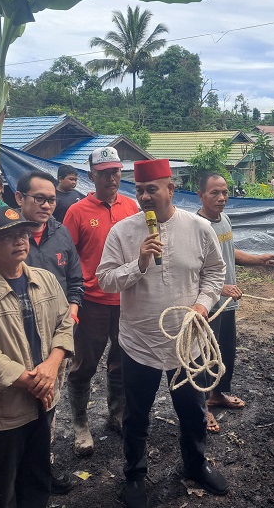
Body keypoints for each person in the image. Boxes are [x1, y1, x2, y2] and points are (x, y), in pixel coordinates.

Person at [97, 159, 228, 508]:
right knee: (136, 414)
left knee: (193, 412)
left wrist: (202, 305)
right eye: (140, 190)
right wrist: (138, 263)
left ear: (170, 189)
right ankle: (134, 476)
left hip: (187, 341)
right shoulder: (122, 232)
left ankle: (196, 465)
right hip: (139, 343)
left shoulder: (199, 227)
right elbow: (105, 280)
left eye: (151, 189)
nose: (144, 196)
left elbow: (215, 272)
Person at [0, 170, 83, 493]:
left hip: (51, 351)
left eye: (52, 200)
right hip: (11, 372)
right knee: (5, 470)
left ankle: (42, 467)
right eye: (40, 198)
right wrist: (32, 379)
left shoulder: (60, 237)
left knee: (44, 426)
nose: (47, 205)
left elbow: (74, 283)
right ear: (19, 198)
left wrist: (53, 362)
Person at [62, 146, 139, 456]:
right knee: (84, 365)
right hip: (91, 301)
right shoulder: (77, 212)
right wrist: (71, 299)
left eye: (115, 171)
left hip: (126, 300)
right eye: (104, 173)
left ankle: (117, 414)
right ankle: (80, 423)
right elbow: (68, 258)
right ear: (91, 175)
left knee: (121, 361)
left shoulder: (131, 206)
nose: (111, 178)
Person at [196, 173, 274, 433]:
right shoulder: (197, 227)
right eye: (214, 193)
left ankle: (217, 394)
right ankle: (201, 407)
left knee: (225, 351)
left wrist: (258, 259)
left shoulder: (224, 220)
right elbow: (190, 269)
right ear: (201, 195)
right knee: (203, 355)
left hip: (228, 302)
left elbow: (228, 252)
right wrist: (219, 287)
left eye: (224, 192)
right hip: (207, 304)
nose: (221, 198)